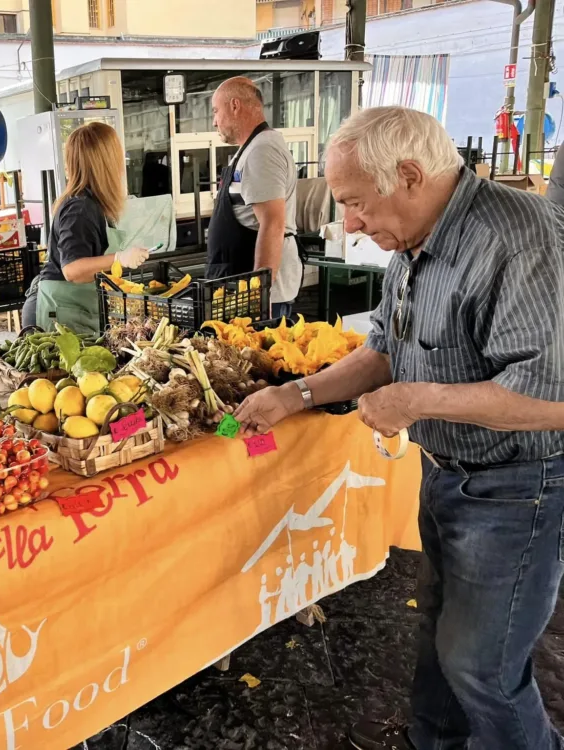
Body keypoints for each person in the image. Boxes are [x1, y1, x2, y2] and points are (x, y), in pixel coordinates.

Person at [234, 106, 564, 750]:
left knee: (483, 666)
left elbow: (552, 397)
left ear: (410, 174)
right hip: (445, 476)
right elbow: (383, 349)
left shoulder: (518, 236)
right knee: (438, 642)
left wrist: (418, 400)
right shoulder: (414, 239)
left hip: (517, 487)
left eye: (357, 204)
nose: (351, 225)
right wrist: (296, 393)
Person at [21, 121, 150, 333]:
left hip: (72, 306)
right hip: (57, 310)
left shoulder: (91, 203)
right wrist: (119, 258)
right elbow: (72, 269)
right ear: (106, 161)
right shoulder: (79, 208)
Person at [208, 77, 301, 321]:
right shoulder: (250, 149)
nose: (214, 121)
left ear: (235, 106)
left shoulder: (262, 150)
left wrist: (259, 294)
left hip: (259, 297)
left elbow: (273, 223)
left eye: (216, 111)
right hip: (236, 282)